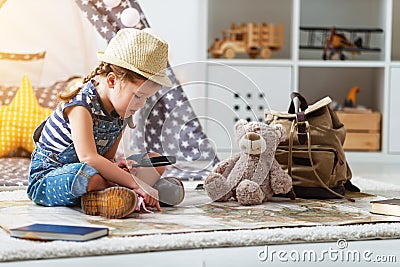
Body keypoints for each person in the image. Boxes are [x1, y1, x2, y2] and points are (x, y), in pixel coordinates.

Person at [27, 28, 184, 219]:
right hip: (52, 177)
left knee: (156, 160)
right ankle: (132, 190)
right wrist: (133, 181)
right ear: (111, 81)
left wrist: (120, 167)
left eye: (146, 99)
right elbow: (89, 158)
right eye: (138, 96)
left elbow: (106, 158)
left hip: (95, 171)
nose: (141, 105)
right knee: (87, 175)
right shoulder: (81, 106)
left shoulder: (121, 113)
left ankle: (126, 192)